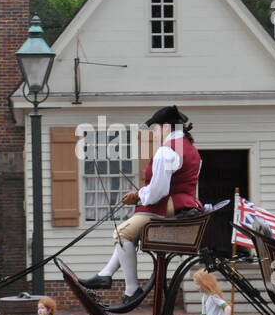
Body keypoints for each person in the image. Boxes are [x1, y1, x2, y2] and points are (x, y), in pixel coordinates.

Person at [80, 105, 202, 301]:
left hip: (168, 205)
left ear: (166, 128)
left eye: (155, 128)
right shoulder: (190, 149)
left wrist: (139, 196)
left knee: (122, 232)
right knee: (129, 231)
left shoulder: (166, 152)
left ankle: (131, 289)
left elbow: (158, 191)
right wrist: (140, 194)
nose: (154, 133)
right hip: (183, 203)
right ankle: (105, 274)